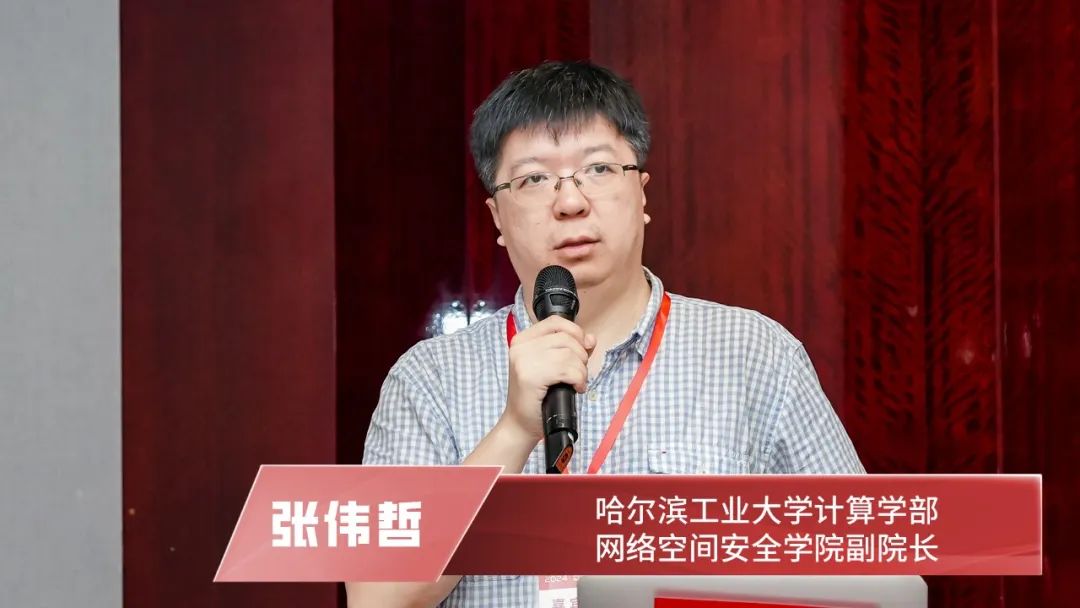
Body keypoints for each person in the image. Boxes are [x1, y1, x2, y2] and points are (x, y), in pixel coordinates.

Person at [346, 60, 864, 608]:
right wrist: (514, 430)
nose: (570, 202)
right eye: (534, 179)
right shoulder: (429, 380)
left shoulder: (755, 356)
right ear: (497, 217)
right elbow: (377, 597)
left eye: (598, 168)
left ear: (641, 193)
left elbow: (865, 565)